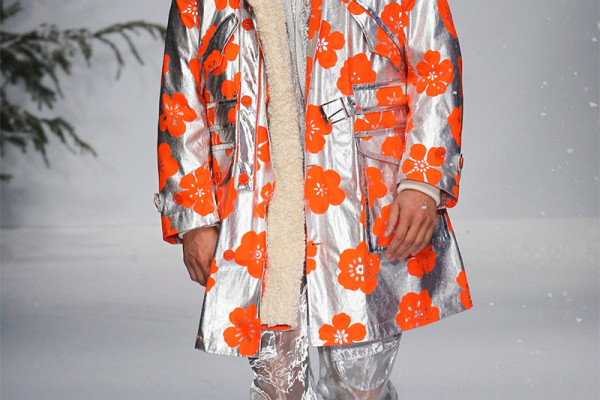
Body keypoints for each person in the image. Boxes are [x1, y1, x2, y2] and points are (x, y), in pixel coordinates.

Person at [155, 0, 473, 398]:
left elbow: (435, 64)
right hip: (257, 213)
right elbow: (180, 98)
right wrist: (194, 218)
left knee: (360, 383)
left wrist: (422, 182)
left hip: (365, 201)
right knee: (276, 384)